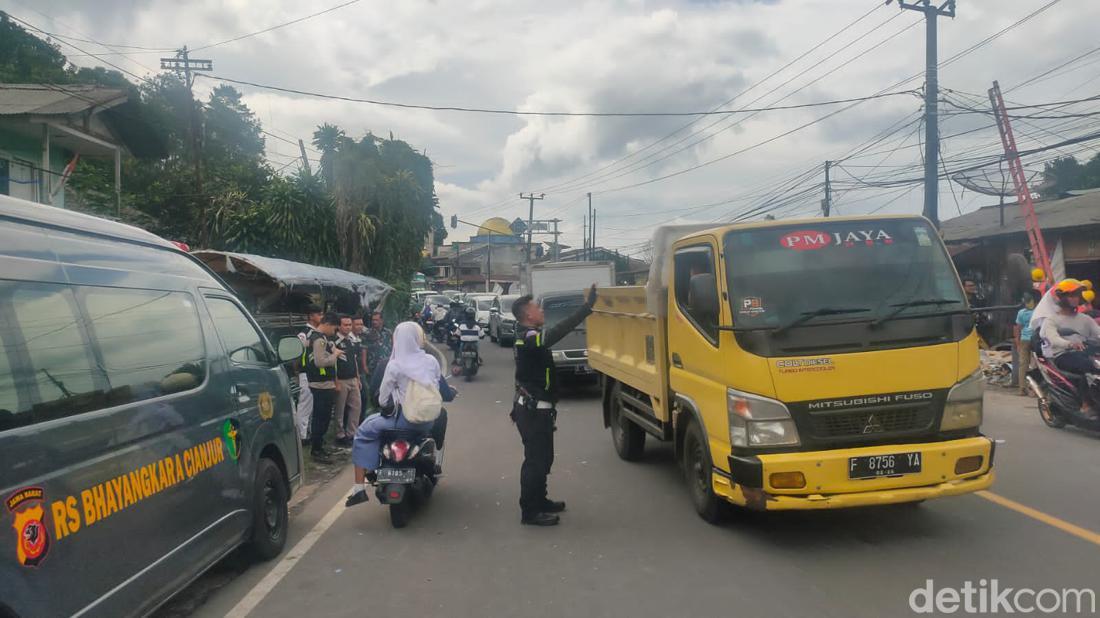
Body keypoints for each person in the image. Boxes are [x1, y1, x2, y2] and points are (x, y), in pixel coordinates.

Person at [510, 284, 598, 526]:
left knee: (544, 458)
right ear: (528, 315)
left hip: (536, 409)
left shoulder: (528, 336)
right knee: (535, 461)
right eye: (537, 308)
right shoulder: (528, 337)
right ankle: (529, 511)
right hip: (533, 411)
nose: (541, 311)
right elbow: (553, 335)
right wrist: (585, 309)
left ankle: (540, 500)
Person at [345, 322, 456, 507]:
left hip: (401, 422)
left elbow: (382, 399)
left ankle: (359, 488)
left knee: (362, 433)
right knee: (441, 419)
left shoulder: (394, 365)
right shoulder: (431, 362)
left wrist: (390, 406)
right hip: (427, 421)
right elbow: (436, 389)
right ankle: (433, 460)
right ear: (417, 339)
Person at [1038, 280, 1100, 417]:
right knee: (1088, 366)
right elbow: (1053, 339)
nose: (1075, 298)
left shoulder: (1085, 319)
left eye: (1077, 295)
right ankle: (1086, 404)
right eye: (1071, 295)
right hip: (1063, 355)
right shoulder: (1052, 320)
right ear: (1061, 298)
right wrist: (1070, 344)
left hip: (1084, 352)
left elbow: (1098, 333)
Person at [306, 313, 345, 462]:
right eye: (334, 329)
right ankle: (316, 450)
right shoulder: (319, 340)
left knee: (324, 417)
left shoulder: (321, 338)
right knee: (321, 418)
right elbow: (320, 362)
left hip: (324, 383)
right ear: (328, 324)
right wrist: (335, 354)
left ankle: (320, 447)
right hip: (320, 384)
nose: (334, 332)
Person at [294, 304, 324, 444]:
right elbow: (297, 354)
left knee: (313, 406)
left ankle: (309, 433)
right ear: (311, 316)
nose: (321, 317)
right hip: (306, 373)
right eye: (318, 314)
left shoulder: (318, 333)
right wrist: (297, 370)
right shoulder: (304, 333)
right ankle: (302, 436)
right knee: (305, 405)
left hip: (316, 374)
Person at [332, 315, 362, 447]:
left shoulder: (352, 340)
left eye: (350, 325)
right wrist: (336, 381)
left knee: (356, 406)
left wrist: (358, 378)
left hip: (353, 379)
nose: (348, 327)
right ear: (339, 326)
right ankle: (339, 434)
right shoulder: (334, 341)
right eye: (345, 325)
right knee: (340, 408)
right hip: (341, 380)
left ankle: (352, 433)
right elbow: (333, 363)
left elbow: (354, 360)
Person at [363, 311, 393, 413]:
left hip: (386, 365)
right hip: (372, 365)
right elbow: (364, 349)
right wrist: (364, 365)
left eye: (376, 320)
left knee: (385, 387)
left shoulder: (388, 332)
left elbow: (394, 346)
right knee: (372, 387)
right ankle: (372, 408)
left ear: (381, 320)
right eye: (373, 320)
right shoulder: (367, 333)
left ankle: (384, 407)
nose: (374, 322)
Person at [1014, 289, 1040, 397]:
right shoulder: (1040, 311)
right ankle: (1034, 390)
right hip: (1036, 340)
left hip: (1024, 340)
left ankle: (1022, 389)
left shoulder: (1021, 312)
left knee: (1023, 365)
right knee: (1035, 365)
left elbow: (1017, 328)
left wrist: (1017, 343)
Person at [352, 315, 370, 422]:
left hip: (360, 373)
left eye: (361, 324)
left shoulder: (361, 338)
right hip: (351, 374)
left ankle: (361, 422)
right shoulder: (348, 339)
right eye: (357, 324)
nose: (360, 327)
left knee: (363, 398)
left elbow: (364, 353)